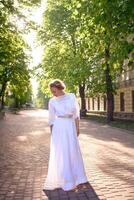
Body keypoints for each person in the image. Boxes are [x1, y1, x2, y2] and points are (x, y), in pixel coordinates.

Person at [43, 79, 88, 191]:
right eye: (52, 92)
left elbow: (76, 115)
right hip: (58, 127)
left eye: (54, 91)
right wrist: (52, 134)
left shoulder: (72, 96)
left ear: (60, 88)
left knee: (72, 150)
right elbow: (51, 119)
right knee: (61, 152)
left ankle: (78, 178)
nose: (53, 94)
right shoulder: (52, 101)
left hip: (70, 125)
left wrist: (78, 128)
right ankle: (65, 179)